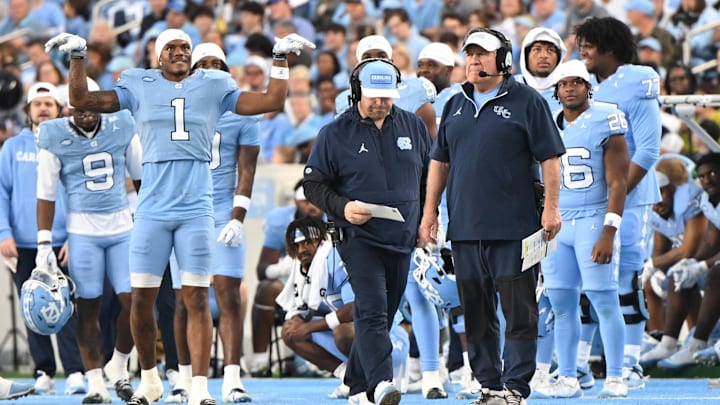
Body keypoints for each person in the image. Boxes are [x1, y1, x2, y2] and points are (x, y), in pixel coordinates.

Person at [44, 29, 314, 405]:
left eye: (185, 46)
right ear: (157, 56)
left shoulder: (213, 83)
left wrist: (280, 60)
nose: (179, 52)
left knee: (197, 299)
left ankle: (200, 387)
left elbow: (271, 99)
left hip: (195, 208)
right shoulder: (140, 83)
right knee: (140, 300)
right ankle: (150, 378)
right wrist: (77, 58)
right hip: (153, 208)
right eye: (170, 47)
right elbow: (81, 98)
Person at [417, 28, 564, 404]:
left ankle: (516, 387)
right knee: (476, 313)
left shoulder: (528, 101)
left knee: (519, 311)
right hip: (464, 226)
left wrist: (551, 207)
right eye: (469, 54)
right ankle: (488, 384)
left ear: (504, 61)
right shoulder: (454, 103)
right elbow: (440, 160)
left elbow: (550, 158)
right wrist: (430, 210)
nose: (474, 61)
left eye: (483, 54)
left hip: (515, 226)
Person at [304, 59, 432, 405]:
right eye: (374, 96)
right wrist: (343, 207)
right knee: (373, 309)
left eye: (387, 96)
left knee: (384, 313)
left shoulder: (413, 126)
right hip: (358, 238)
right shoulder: (334, 133)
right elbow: (313, 185)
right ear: (357, 91)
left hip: (403, 236)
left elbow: (426, 178)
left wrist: (426, 219)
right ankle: (381, 385)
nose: (380, 102)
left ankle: (357, 385)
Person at [35, 78, 142, 404]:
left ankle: (119, 363)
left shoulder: (122, 123)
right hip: (82, 232)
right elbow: (46, 194)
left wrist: (147, 220)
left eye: (92, 105)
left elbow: (141, 178)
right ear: (68, 107)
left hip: (122, 226)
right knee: (89, 308)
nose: (86, 113)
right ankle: (95, 380)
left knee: (135, 303)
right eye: (79, 108)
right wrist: (44, 244)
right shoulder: (53, 134)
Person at [166, 42, 261, 404]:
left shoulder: (241, 112)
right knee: (183, 299)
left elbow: (246, 170)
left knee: (228, 295)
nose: (209, 68)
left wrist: (238, 217)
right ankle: (184, 378)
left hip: (222, 209)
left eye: (216, 63)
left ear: (227, 71)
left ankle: (233, 379)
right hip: (186, 208)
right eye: (202, 64)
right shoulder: (178, 106)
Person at [533, 60, 630, 399]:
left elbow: (619, 181)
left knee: (604, 299)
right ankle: (569, 376)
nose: (570, 88)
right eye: (564, 83)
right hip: (558, 222)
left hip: (592, 217)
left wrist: (610, 228)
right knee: (561, 304)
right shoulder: (546, 122)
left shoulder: (606, 117)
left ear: (588, 86)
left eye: (577, 82)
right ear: (556, 90)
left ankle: (616, 376)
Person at [574, 17, 662, 389]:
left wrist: (617, 195)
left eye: (589, 45)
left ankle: (630, 363)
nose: (582, 51)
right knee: (584, 281)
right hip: (587, 201)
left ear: (609, 47)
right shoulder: (581, 83)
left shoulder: (636, 82)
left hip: (632, 198)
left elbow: (649, 149)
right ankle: (579, 363)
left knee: (626, 280)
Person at [0, 82, 86, 396]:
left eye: (49, 103)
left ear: (60, 109)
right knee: (31, 308)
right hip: (21, 244)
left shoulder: (69, 143)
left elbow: (79, 193)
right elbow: (1, 193)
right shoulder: (11, 148)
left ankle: (75, 370)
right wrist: (3, 234)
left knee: (65, 306)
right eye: (37, 104)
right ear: (28, 111)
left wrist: (74, 238)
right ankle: (43, 371)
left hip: (62, 241)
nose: (43, 108)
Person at [246, 180, 324, 377]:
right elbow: (261, 270)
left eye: (316, 200)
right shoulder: (279, 221)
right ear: (296, 202)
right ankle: (260, 362)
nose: (312, 206)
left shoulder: (336, 218)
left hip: (327, 288)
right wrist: (283, 267)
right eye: (306, 201)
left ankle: (321, 360)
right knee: (266, 288)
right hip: (294, 286)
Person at [638, 158, 706, 369]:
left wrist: (655, 263)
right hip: (693, 265)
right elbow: (660, 249)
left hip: (707, 263)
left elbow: (688, 250)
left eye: (662, 192)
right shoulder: (658, 210)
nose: (657, 201)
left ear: (675, 189)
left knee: (682, 276)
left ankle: (698, 339)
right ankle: (661, 340)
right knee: (651, 282)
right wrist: (655, 267)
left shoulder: (691, 203)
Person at [275, 217, 354, 397]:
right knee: (290, 331)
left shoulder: (335, 260)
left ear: (321, 241)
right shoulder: (304, 268)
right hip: (353, 335)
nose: (302, 250)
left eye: (307, 243)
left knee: (343, 332)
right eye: (297, 245)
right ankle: (348, 375)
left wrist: (310, 327)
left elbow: (356, 308)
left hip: (387, 336)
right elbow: (299, 306)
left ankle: (376, 373)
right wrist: (298, 320)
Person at [335, 35, 437, 138]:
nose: (375, 61)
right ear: (358, 65)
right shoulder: (345, 99)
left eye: (381, 56)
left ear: (391, 61)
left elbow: (431, 146)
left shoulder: (416, 90)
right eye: (367, 57)